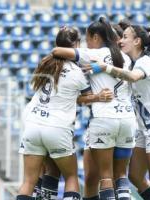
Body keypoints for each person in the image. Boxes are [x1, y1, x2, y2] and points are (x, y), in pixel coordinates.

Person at [17, 27, 113, 200]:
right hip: (57, 127)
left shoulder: (44, 62)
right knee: (70, 177)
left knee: (28, 182)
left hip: (32, 124)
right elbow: (85, 97)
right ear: (75, 45)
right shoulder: (77, 72)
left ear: (57, 43)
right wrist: (99, 96)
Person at [87, 25, 150, 200]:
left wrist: (105, 67)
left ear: (137, 41)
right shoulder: (133, 62)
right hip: (144, 127)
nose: (120, 41)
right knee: (135, 176)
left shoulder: (146, 61)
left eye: (125, 37)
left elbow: (133, 77)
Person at [52, 17, 136, 200]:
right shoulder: (126, 58)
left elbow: (57, 51)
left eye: (88, 38)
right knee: (121, 177)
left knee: (105, 177)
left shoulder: (92, 54)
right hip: (128, 120)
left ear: (96, 37)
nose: (87, 43)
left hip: (104, 119)